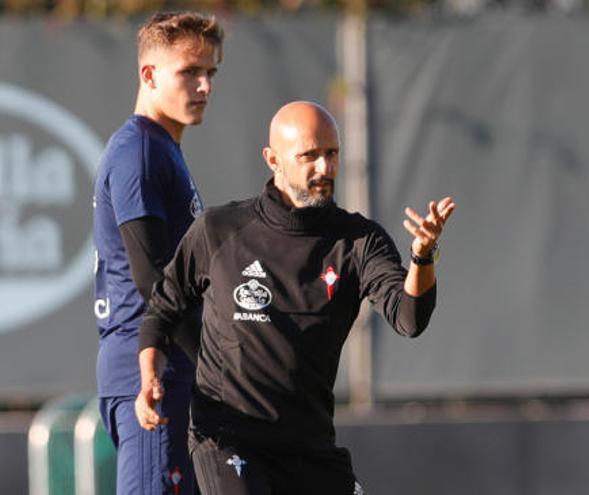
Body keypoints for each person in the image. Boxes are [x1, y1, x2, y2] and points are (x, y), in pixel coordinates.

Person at [134, 101, 455, 494]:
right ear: (273, 159)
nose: (324, 168)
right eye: (309, 156)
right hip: (229, 439)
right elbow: (163, 309)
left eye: (332, 153)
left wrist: (422, 256)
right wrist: (150, 375)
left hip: (309, 447)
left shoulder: (358, 241)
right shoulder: (219, 230)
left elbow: (410, 318)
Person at [92, 11, 223, 494]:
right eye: (190, 71)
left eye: (211, 73)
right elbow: (152, 278)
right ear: (149, 74)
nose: (205, 85)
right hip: (152, 371)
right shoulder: (140, 152)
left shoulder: (162, 148)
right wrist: (218, 365)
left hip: (168, 365)